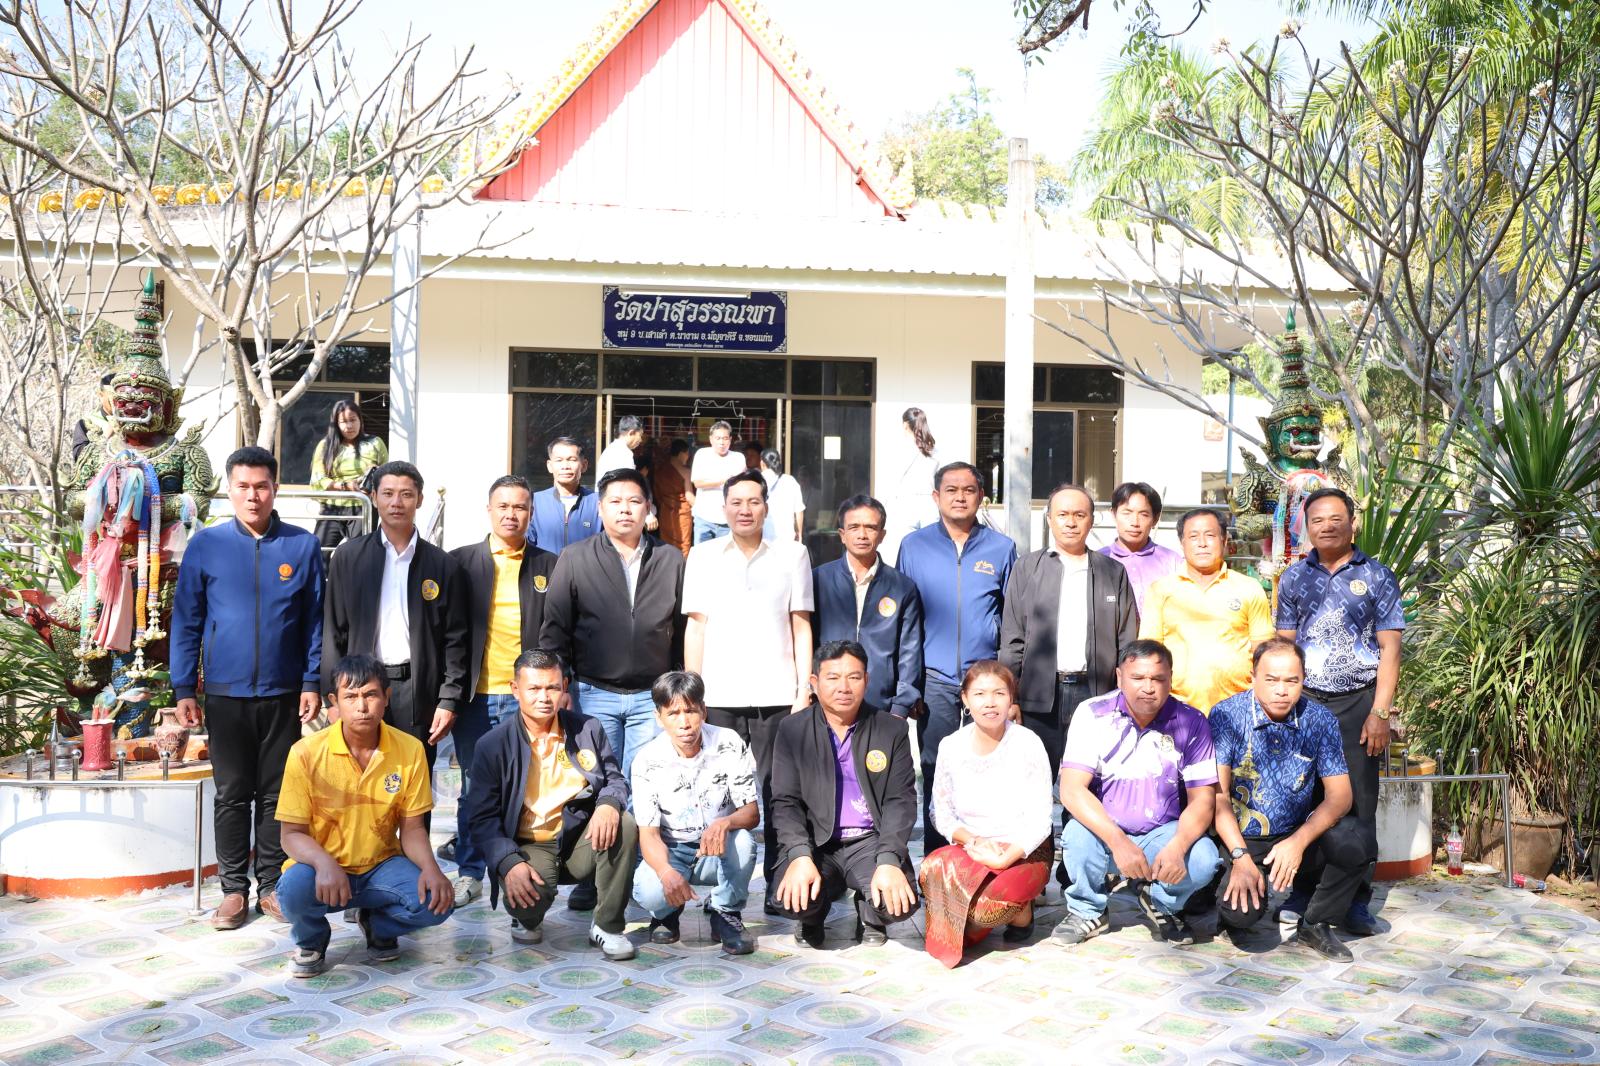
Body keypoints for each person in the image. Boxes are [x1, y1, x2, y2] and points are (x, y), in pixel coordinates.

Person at [170, 446, 324, 930]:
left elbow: (314, 622)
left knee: (279, 795)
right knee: (232, 794)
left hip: (283, 692)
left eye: (261, 486)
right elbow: (186, 621)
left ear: (275, 489)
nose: (252, 496)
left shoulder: (302, 546)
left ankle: (272, 886)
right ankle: (233, 890)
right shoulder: (206, 546)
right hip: (225, 693)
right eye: (243, 486)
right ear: (230, 490)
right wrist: (183, 687)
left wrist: (311, 680)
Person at [1273, 487, 1402, 937]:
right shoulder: (1293, 578)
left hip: (1357, 703)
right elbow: (1285, 646)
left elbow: (1390, 650)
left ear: (1352, 523)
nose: (1326, 526)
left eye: (1335, 518)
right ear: (1305, 527)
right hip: (1305, 703)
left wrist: (1380, 713)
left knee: (1360, 803)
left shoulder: (1378, 576)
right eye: (1317, 520)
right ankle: (1302, 891)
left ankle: (1355, 901)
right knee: (1303, 797)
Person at [276, 654, 453, 977]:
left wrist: (431, 868)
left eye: (371, 695)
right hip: (323, 870)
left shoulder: (410, 749)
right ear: (334, 702)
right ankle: (311, 940)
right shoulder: (305, 753)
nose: (362, 706)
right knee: (291, 890)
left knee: (437, 902)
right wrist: (324, 863)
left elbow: (412, 829)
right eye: (351, 697)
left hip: (381, 866)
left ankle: (377, 925)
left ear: (387, 697)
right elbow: (291, 834)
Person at [461, 649, 639, 960]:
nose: (544, 697)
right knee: (528, 911)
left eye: (553, 688)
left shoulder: (587, 729)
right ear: (515, 690)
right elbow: (481, 819)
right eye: (534, 688)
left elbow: (615, 779)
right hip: (529, 846)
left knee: (623, 822)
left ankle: (607, 926)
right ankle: (526, 916)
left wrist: (608, 804)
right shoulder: (493, 745)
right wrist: (508, 862)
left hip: (579, 839)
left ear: (564, 687)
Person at [683, 469, 812, 888]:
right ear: (723, 508)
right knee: (717, 791)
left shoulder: (792, 555)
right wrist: (692, 694)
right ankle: (722, 885)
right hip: (719, 694)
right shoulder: (703, 556)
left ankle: (779, 881)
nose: (745, 510)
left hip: (777, 694)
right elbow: (696, 628)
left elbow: (801, 625)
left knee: (779, 792)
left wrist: (802, 692)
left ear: (766, 508)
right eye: (736, 502)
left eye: (753, 501)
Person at [1209, 638, 1375, 961]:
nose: (1281, 690)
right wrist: (1240, 858)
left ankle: (1316, 922)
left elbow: (1340, 797)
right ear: (1254, 677)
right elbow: (1219, 797)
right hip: (1242, 837)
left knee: (1357, 840)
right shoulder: (1226, 715)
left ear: (1304, 680)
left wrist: (1298, 842)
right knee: (1240, 915)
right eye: (1271, 680)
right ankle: (1218, 894)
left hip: (1295, 834)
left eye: (1291, 681)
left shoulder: (1319, 719)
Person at [324, 460, 470, 815]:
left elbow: (456, 640)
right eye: (388, 493)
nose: (396, 502)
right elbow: (333, 629)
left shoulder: (442, 565)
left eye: (406, 494)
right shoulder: (349, 557)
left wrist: (448, 699)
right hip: (361, 687)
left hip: (416, 689)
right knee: (358, 781)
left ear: (419, 499)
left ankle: (413, 851)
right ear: (374, 497)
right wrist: (335, 697)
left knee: (412, 787)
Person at [1054, 640, 1221, 947]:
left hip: (1162, 832)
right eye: (1138, 677)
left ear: (1171, 679)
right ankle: (1088, 910)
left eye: (1158, 678)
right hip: (1105, 830)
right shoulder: (1092, 714)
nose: (1148, 687)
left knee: (1204, 859)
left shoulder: (1192, 721)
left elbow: (1203, 800)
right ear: (1119, 677)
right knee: (1076, 835)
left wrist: (1178, 846)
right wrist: (1118, 842)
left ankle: (1162, 902)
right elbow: (1072, 790)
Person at [444, 475, 557, 906]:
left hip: (526, 698)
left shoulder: (548, 565)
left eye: (520, 507)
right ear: (489, 510)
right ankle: (470, 871)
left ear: (531, 513)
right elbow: (448, 634)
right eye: (503, 506)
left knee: (528, 785)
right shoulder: (460, 563)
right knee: (474, 786)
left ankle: (522, 868)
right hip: (475, 696)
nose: (512, 514)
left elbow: (558, 632)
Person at [895, 462, 1017, 852]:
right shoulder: (913, 546)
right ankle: (938, 857)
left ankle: (988, 854)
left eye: (968, 490)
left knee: (991, 767)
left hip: (986, 681)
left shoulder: (1002, 548)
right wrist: (909, 685)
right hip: (934, 677)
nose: (960, 497)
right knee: (935, 769)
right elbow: (903, 618)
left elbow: (1012, 618)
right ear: (936, 497)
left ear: (981, 496)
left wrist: (1008, 684)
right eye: (951, 490)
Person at [768, 640, 919, 948]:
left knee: (899, 904)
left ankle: (871, 913)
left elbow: (900, 801)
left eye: (854, 677)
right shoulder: (792, 729)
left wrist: (889, 859)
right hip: (817, 843)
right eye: (833, 677)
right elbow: (785, 802)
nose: (844, 687)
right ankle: (813, 917)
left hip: (869, 841)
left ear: (866, 680)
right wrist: (799, 854)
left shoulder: (890, 729)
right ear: (814, 682)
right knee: (788, 897)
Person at [541, 468, 685, 784]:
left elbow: (682, 629)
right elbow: (555, 629)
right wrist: (559, 684)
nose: (625, 509)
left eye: (634, 501)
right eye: (615, 501)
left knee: (644, 783)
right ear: (600, 508)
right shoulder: (575, 557)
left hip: (652, 696)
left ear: (649, 507)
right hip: (593, 693)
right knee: (595, 781)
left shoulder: (671, 559)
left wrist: (678, 685)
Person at [999, 484, 1139, 775]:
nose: (1071, 522)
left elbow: (1127, 640)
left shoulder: (1112, 572)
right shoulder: (1027, 568)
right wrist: (1009, 697)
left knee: (1091, 781)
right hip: (1038, 698)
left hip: (1096, 696)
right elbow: (1012, 639)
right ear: (1050, 519)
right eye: (1062, 514)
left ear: (1092, 520)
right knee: (1034, 780)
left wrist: (1125, 695)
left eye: (1079, 514)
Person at [920, 661, 1053, 968]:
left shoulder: (1028, 743)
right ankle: (980, 906)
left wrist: (1005, 858)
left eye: (999, 693)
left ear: (1011, 699)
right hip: (973, 847)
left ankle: (1023, 914)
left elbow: (1041, 819)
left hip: (1023, 850)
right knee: (930, 869)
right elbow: (942, 814)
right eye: (979, 694)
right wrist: (975, 842)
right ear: (965, 699)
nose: (990, 702)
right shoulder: (951, 746)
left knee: (986, 912)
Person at [629, 671, 759, 954]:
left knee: (744, 843)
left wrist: (724, 823)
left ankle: (725, 912)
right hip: (672, 848)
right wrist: (665, 872)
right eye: (673, 713)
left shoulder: (728, 742)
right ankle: (666, 914)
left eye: (690, 711)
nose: (684, 723)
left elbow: (751, 813)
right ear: (658, 717)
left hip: (717, 848)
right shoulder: (646, 761)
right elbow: (649, 835)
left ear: (703, 710)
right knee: (649, 890)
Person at [1140, 508, 1274, 713]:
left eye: (1210, 535)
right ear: (1182, 543)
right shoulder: (1160, 590)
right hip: (1178, 708)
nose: (1202, 543)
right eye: (1193, 536)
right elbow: (1150, 653)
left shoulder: (1249, 588)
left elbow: (1263, 652)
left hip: (1238, 708)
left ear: (1224, 540)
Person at [812, 495, 923, 719]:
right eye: (854, 527)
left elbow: (910, 652)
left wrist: (900, 707)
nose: (862, 535)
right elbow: (806, 640)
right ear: (842, 534)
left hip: (880, 707)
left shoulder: (902, 587)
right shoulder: (818, 580)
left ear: (882, 535)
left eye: (870, 527)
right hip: (826, 703)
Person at [309, 400, 387, 549]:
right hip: (331, 507)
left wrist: (373, 478)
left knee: (359, 553)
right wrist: (345, 486)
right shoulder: (325, 446)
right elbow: (318, 479)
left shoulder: (375, 443)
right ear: (335, 424)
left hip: (364, 506)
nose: (349, 426)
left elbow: (386, 475)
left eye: (353, 420)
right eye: (344, 421)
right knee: (319, 551)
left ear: (360, 420)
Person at [1100, 481, 1181, 613]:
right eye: (1127, 513)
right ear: (1113, 514)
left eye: (1143, 514)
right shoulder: (1099, 560)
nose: (1135, 522)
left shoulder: (1172, 561)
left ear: (1155, 519)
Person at [884, 407, 938, 564]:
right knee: (930, 553)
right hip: (929, 504)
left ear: (905, 424)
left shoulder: (900, 448)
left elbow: (893, 481)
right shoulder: (933, 449)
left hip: (905, 504)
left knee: (904, 555)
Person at [528, 437, 601, 551]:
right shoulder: (535, 502)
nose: (565, 466)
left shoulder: (598, 502)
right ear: (549, 466)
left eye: (572, 460)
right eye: (559, 460)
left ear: (584, 465)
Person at [688, 421, 745, 542]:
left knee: (727, 553)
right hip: (704, 518)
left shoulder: (738, 458)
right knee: (702, 553)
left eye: (725, 438)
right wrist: (724, 480)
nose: (721, 442)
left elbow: (742, 485)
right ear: (711, 439)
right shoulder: (702, 454)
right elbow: (698, 483)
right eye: (718, 438)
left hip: (728, 519)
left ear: (730, 439)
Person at [651, 438, 696, 553]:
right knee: (683, 545)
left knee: (666, 545)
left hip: (665, 513)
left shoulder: (660, 470)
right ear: (681, 453)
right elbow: (690, 497)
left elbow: (657, 493)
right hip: (683, 515)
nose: (688, 457)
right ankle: (681, 565)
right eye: (687, 454)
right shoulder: (686, 472)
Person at [759, 449, 806, 543]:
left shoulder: (756, 481)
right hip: (786, 537)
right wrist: (799, 533)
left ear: (762, 463)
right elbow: (799, 511)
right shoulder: (790, 481)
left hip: (762, 536)